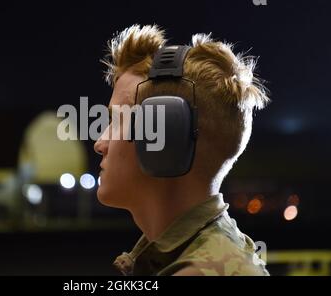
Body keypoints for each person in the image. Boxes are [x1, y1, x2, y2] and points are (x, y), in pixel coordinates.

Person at [94, 24, 270, 276]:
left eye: (117, 121)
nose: (100, 143)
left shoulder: (205, 271)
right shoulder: (188, 259)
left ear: (167, 136)